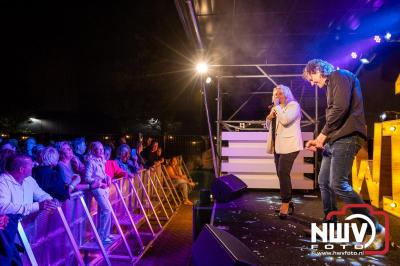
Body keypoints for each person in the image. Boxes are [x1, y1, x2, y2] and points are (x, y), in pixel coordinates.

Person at [303, 59, 385, 249]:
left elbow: (339, 109)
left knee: (338, 184)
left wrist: (322, 136)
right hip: (335, 140)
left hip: (347, 138)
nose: (312, 83)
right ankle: (331, 227)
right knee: (324, 181)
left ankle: (375, 229)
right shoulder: (333, 83)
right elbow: (336, 113)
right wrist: (321, 139)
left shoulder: (339, 75)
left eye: (312, 78)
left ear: (317, 69)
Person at [266, 85, 303, 219]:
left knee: (283, 171)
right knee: (280, 173)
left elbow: (286, 120)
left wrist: (277, 108)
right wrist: (269, 118)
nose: (278, 96)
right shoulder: (276, 109)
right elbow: (269, 127)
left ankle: (285, 203)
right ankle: (289, 201)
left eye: (280, 93)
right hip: (278, 146)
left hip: (290, 145)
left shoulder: (293, 105)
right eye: (276, 94)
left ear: (287, 94)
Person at [84, 142, 112, 244]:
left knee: (105, 211)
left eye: (102, 149)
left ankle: (106, 235)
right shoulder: (91, 162)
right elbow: (87, 178)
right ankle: (101, 237)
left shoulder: (101, 160)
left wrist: (108, 177)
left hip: (104, 189)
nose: (101, 151)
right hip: (97, 189)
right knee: (107, 210)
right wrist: (99, 183)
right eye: (98, 149)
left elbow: (103, 174)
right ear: (93, 150)